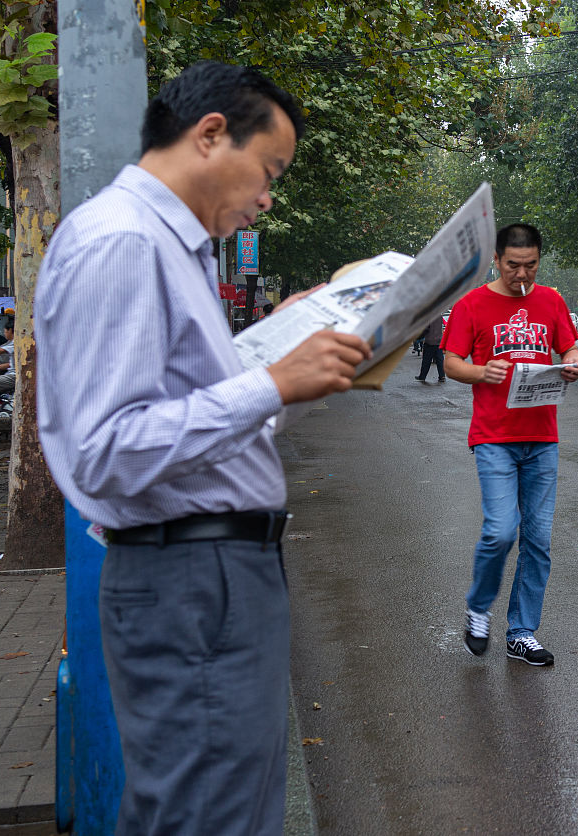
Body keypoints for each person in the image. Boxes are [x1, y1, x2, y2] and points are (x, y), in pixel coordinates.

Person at [35, 61, 372, 836]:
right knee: (207, 816)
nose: (267, 197)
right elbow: (105, 451)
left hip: (212, 575)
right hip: (190, 577)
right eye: (268, 170)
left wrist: (279, 361)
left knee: (225, 809)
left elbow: (188, 419)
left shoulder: (173, 249)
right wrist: (270, 384)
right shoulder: (123, 242)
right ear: (210, 134)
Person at [441, 223, 578, 667]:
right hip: (494, 438)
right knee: (501, 530)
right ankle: (478, 609)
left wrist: (574, 364)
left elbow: (571, 349)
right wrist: (483, 372)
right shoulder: (472, 304)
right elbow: (451, 363)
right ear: (497, 260)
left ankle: (521, 632)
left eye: (531, 265)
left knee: (538, 540)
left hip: (542, 438)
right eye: (513, 265)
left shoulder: (552, 300)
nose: (522, 275)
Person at [414, 314, 446, 383]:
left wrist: (418, 337)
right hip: (439, 341)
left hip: (430, 341)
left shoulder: (430, 316)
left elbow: (426, 329)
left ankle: (422, 376)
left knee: (426, 360)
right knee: (440, 360)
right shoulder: (440, 316)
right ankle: (442, 376)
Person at [0, 317, 14, 397]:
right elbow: (10, 365)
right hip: (9, 373)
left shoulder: (14, 342)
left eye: (5, 331)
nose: (4, 333)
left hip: (13, 375)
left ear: (10, 331)